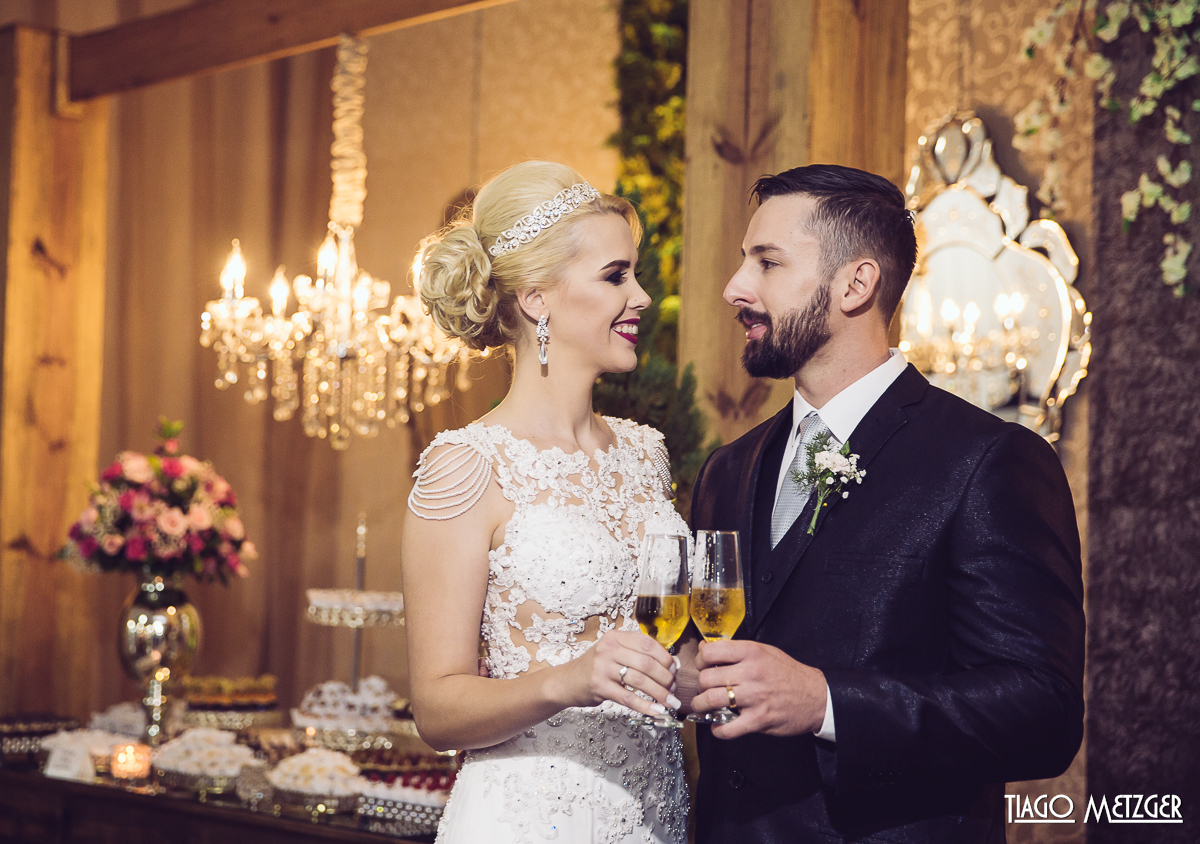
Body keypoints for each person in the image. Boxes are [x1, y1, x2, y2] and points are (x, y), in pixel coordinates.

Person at [685, 164, 1085, 843]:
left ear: (856, 284)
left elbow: (1042, 714)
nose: (735, 287)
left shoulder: (986, 462)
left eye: (768, 262)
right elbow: (707, 646)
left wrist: (828, 704)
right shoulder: (728, 469)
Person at [401, 160, 689, 844]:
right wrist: (571, 680)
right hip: (529, 821)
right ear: (536, 298)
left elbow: (662, 643)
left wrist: (700, 676)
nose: (642, 297)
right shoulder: (466, 465)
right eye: (615, 275)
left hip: (659, 814)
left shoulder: (647, 454)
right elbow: (437, 709)